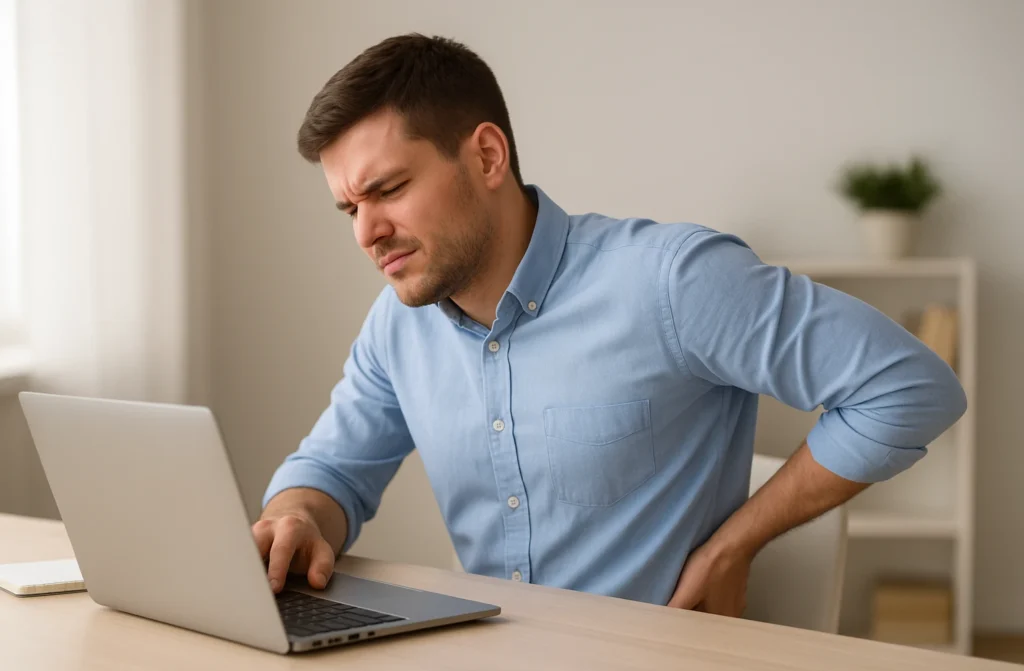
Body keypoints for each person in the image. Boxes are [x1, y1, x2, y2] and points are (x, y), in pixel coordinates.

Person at [252, 33, 966, 616]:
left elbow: (909, 386)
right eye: (350, 208)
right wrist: (298, 516)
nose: (368, 233)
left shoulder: (672, 280)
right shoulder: (398, 327)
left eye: (388, 189)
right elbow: (332, 471)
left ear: (487, 156)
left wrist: (734, 543)